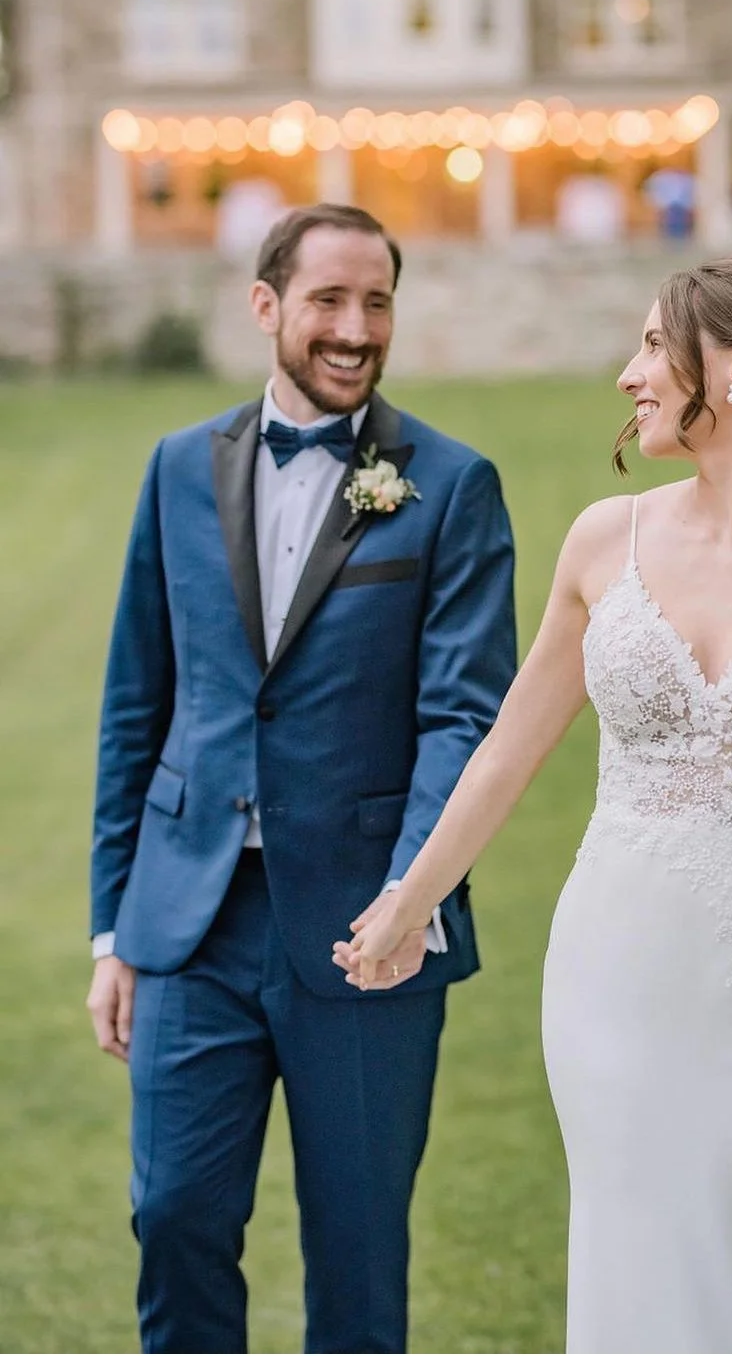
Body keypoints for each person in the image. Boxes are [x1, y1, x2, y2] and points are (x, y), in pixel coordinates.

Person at [336, 252, 732, 1354]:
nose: (630, 375)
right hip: (619, 981)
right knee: (643, 1282)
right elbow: (507, 753)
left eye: (655, 346)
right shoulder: (602, 540)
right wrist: (409, 900)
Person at [86, 202, 516, 1354]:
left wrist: (409, 901)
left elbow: (463, 717)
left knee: (360, 1257)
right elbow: (139, 703)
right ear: (267, 305)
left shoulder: (452, 485)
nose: (355, 328)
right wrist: (112, 931)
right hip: (191, 922)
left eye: (376, 302)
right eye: (329, 299)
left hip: (369, 928)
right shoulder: (180, 468)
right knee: (172, 1215)